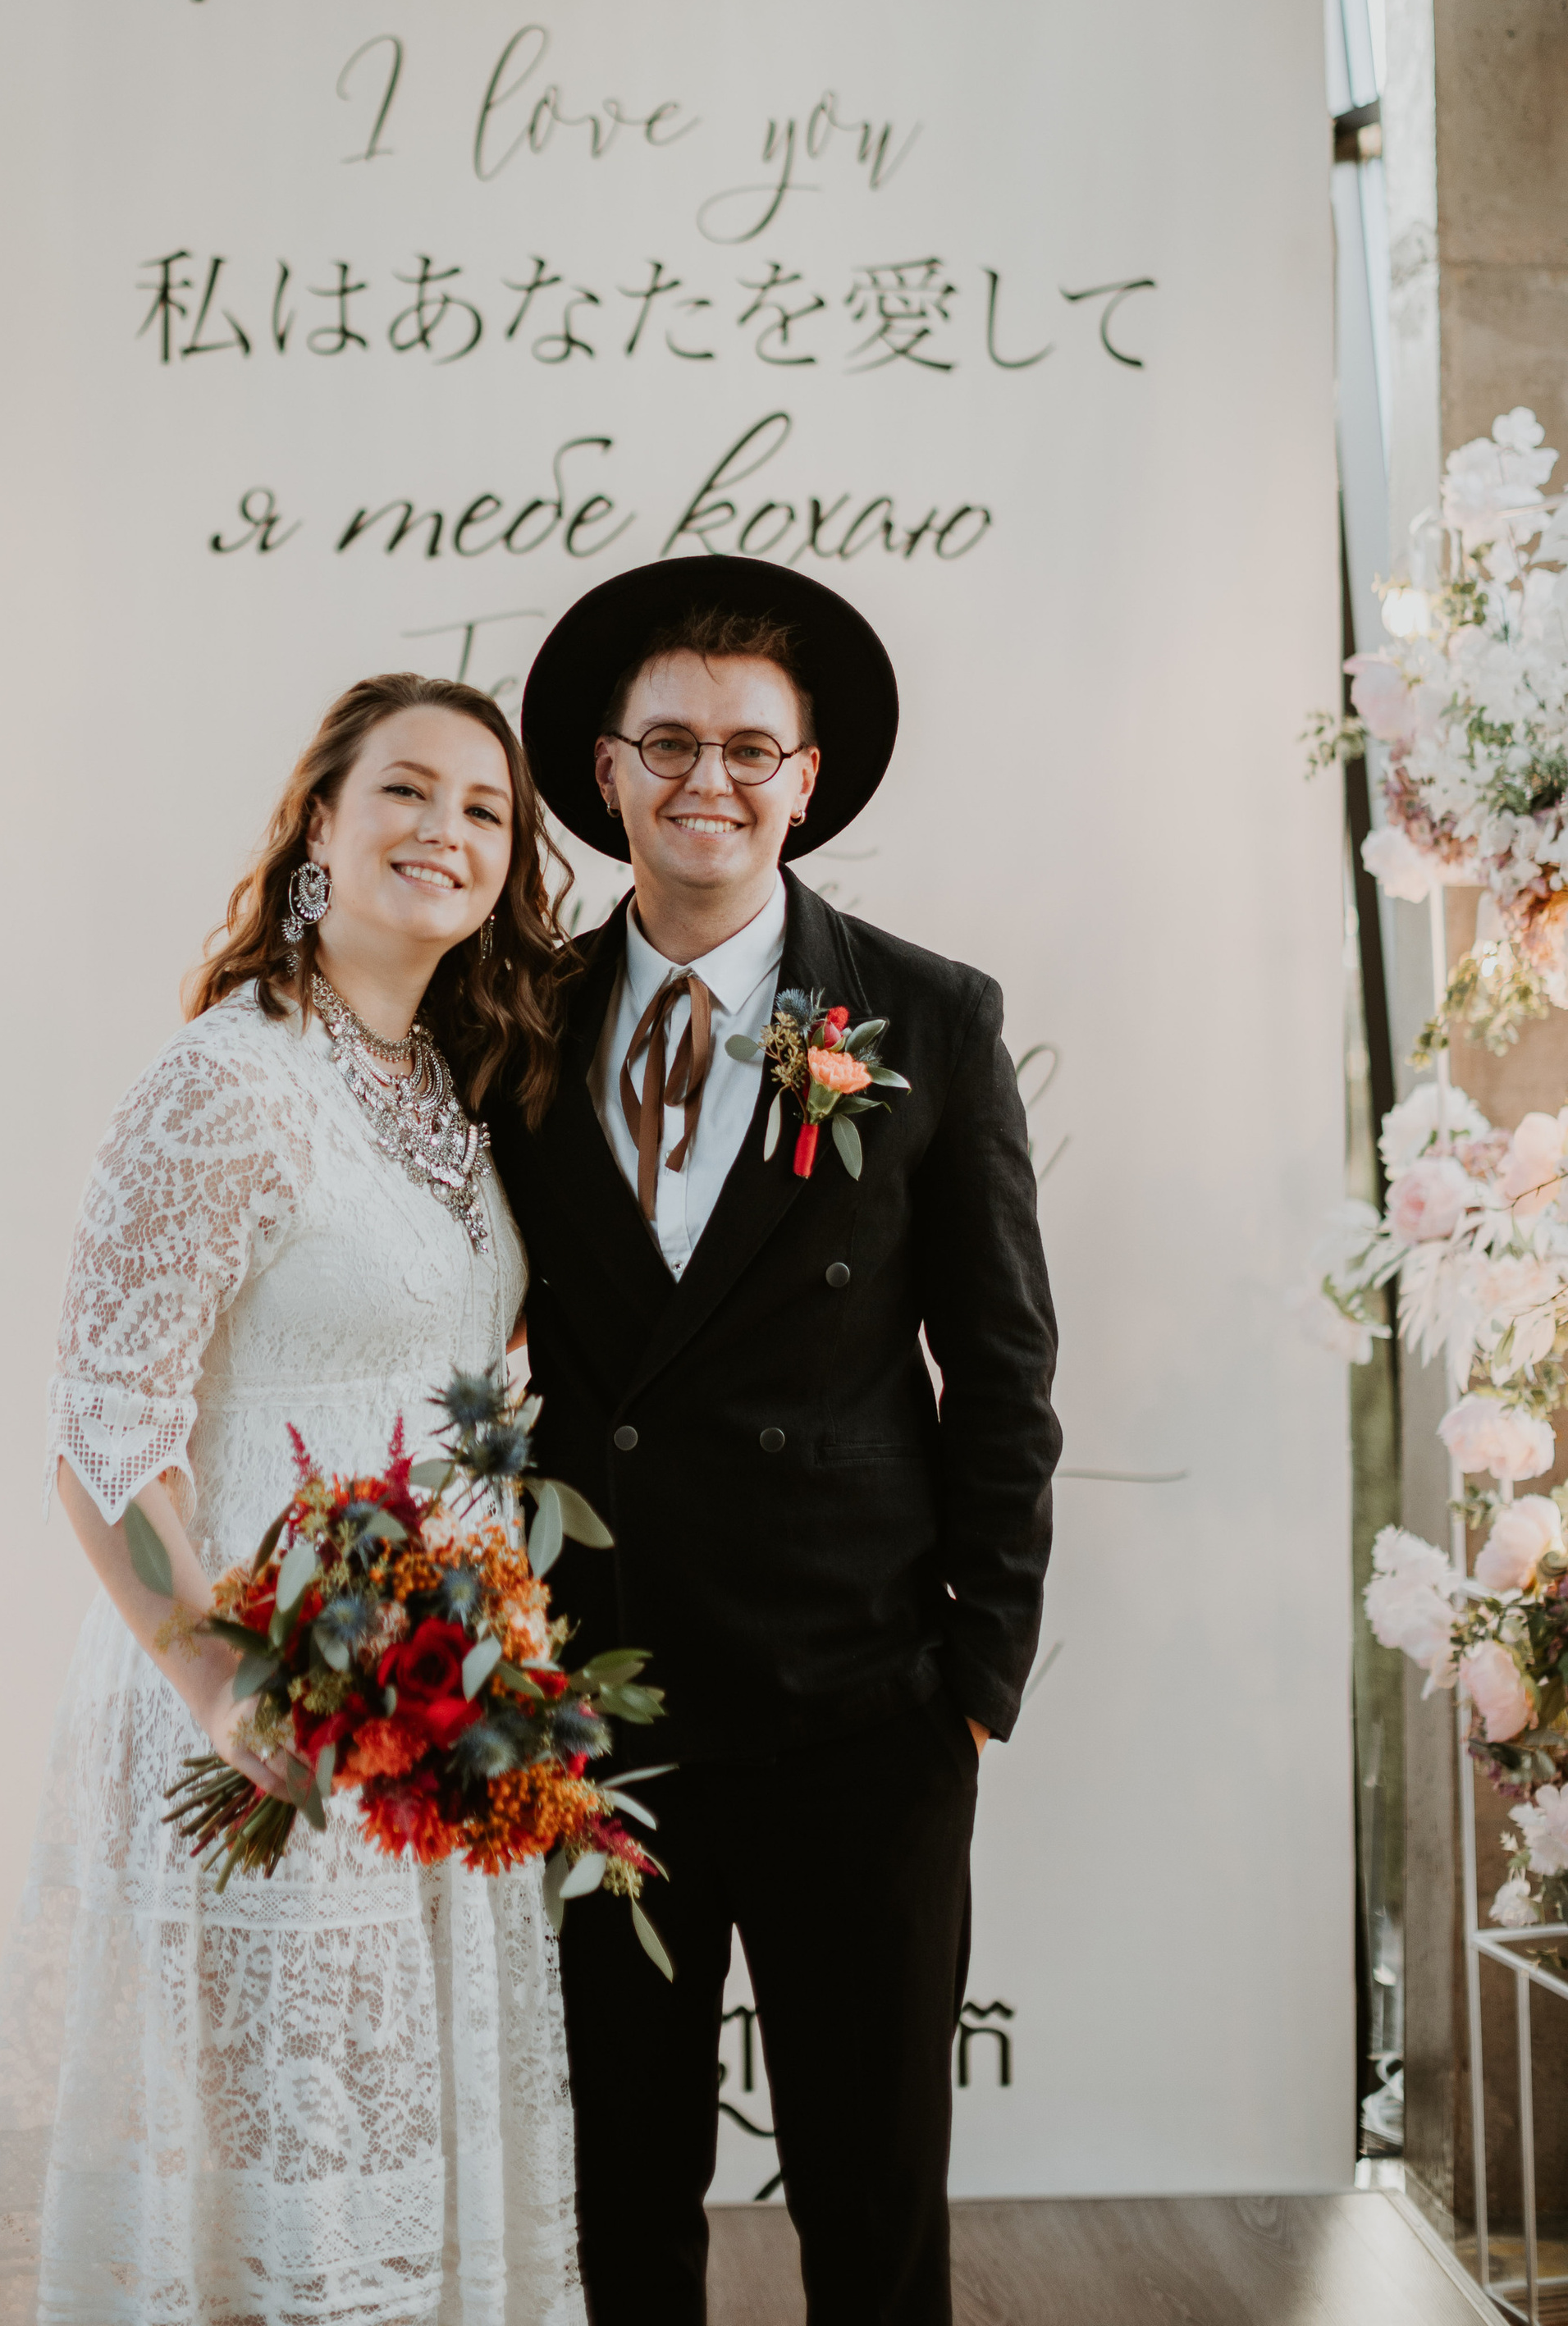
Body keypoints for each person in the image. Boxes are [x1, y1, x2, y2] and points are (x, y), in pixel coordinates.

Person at [0, 674, 584, 2326]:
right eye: (406, 793)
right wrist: (221, 1691)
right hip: (265, 1707)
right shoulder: (226, 1084)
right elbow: (101, 1433)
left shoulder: (449, 1087)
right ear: (317, 824)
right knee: (268, 2175)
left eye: (485, 811)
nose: (446, 831)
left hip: (439, 1713)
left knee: (397, 2154)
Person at [491, 559, 1061, 2326]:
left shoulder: (928, 1018)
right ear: (606, 774)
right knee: (620, 2182)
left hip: (859, 1712)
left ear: (805, 780)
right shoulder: (504, 1025)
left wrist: (974, 1672)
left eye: (749, 747)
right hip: (594, 1707)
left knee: (870, 2186)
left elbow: (1004, 1373)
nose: (706, 782)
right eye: (668, 743)